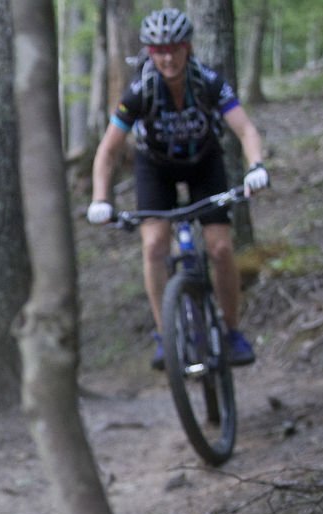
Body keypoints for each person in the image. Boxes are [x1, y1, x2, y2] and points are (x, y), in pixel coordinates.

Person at [87, 7, 269, 370]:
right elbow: (108, 150)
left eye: (174, 48)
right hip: (155, 169)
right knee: (154, 245)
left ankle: (232, 332)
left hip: (205, 164)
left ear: (188, 48)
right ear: (149, 54)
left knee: (219, 247)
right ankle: (163, 334)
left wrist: (256, 167)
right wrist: (100, 199)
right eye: (158, 51)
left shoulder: (209, 82)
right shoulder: (140, 91)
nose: (167, 57)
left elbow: (246, 130)